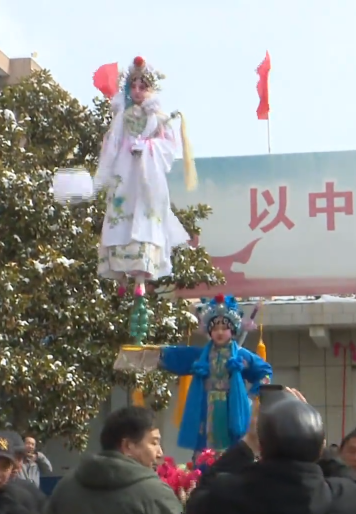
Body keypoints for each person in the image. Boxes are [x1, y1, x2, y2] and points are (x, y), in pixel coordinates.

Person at [187, 391, 356, 514]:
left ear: (261, 446)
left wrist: (247, 443)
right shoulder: (346, 502)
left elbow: (198, 501)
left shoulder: (228, 496)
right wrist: (315, 436)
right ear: (319, 447)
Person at [93, 55, 192, 297]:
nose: (137, 91)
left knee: (145, 222)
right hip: (124, 175)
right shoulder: (121, 117)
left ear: (150, 89)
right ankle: (120, 276)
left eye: (142, 86)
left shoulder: (159, 118)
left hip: (146, 178)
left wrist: (147, 147)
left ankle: (140, 278)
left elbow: (169, 149)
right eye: (133, 86)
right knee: (120, 220)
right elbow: (112, 147)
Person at [34, 406, 196, 514]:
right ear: (128, 446)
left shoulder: (65, 487)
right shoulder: (153, 493)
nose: (160, 452)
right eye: (153, 443)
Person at [159, 294, 272, 452]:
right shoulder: (201, 356)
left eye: (224, 328)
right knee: (206, 447)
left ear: (232, 331)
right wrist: (155, 354)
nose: (219, 332)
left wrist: (252, 396)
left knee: (231, 446)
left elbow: (265, 372)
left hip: (232, 405)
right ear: (209, 331)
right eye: (215, 328)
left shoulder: (241, 355)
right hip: (206, 403)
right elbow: (177, 356)